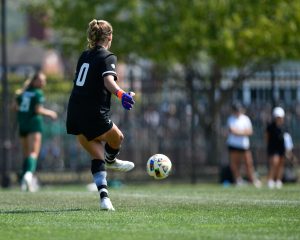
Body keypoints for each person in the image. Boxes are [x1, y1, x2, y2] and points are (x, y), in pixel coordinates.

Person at [66, 19, 135, 211]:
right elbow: (108, 81)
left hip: (74, 112)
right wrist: (122, 94)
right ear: (110, 37)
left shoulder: (84, 55)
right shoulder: (108, 56)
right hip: (93, 113)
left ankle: (104, 198)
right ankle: (112, 160)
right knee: (118, 138)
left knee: (97, 156)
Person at [15, 71, 58, 192]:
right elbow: (38, 110)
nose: (43, 82)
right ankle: (29, 176)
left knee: (26, 154)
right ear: (34, 81)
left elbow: (14, 107)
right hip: (34, 124)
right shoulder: (37, 93)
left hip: (22, 124)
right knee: (33, 153)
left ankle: (23, 181)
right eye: (41, 80)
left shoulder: (23, 93)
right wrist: (51, 113)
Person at [226, 102, 261, 188]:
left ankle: (252, 180)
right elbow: (233, 131)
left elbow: (249, 131)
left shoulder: (245, 119)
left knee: (248, 163)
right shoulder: (230, 119)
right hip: (233, 145)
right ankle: (238, 180)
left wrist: (239, 132)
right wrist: (242, 132)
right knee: (235, 164)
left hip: (244, 145)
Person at [265, 107, 286, 189]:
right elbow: (266, 137)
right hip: (273, 148)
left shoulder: (284, 127)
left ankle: (278, 180)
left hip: (281, 148)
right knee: (274, 163)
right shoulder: (270, 127)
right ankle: (270, 180)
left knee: (281, 164)